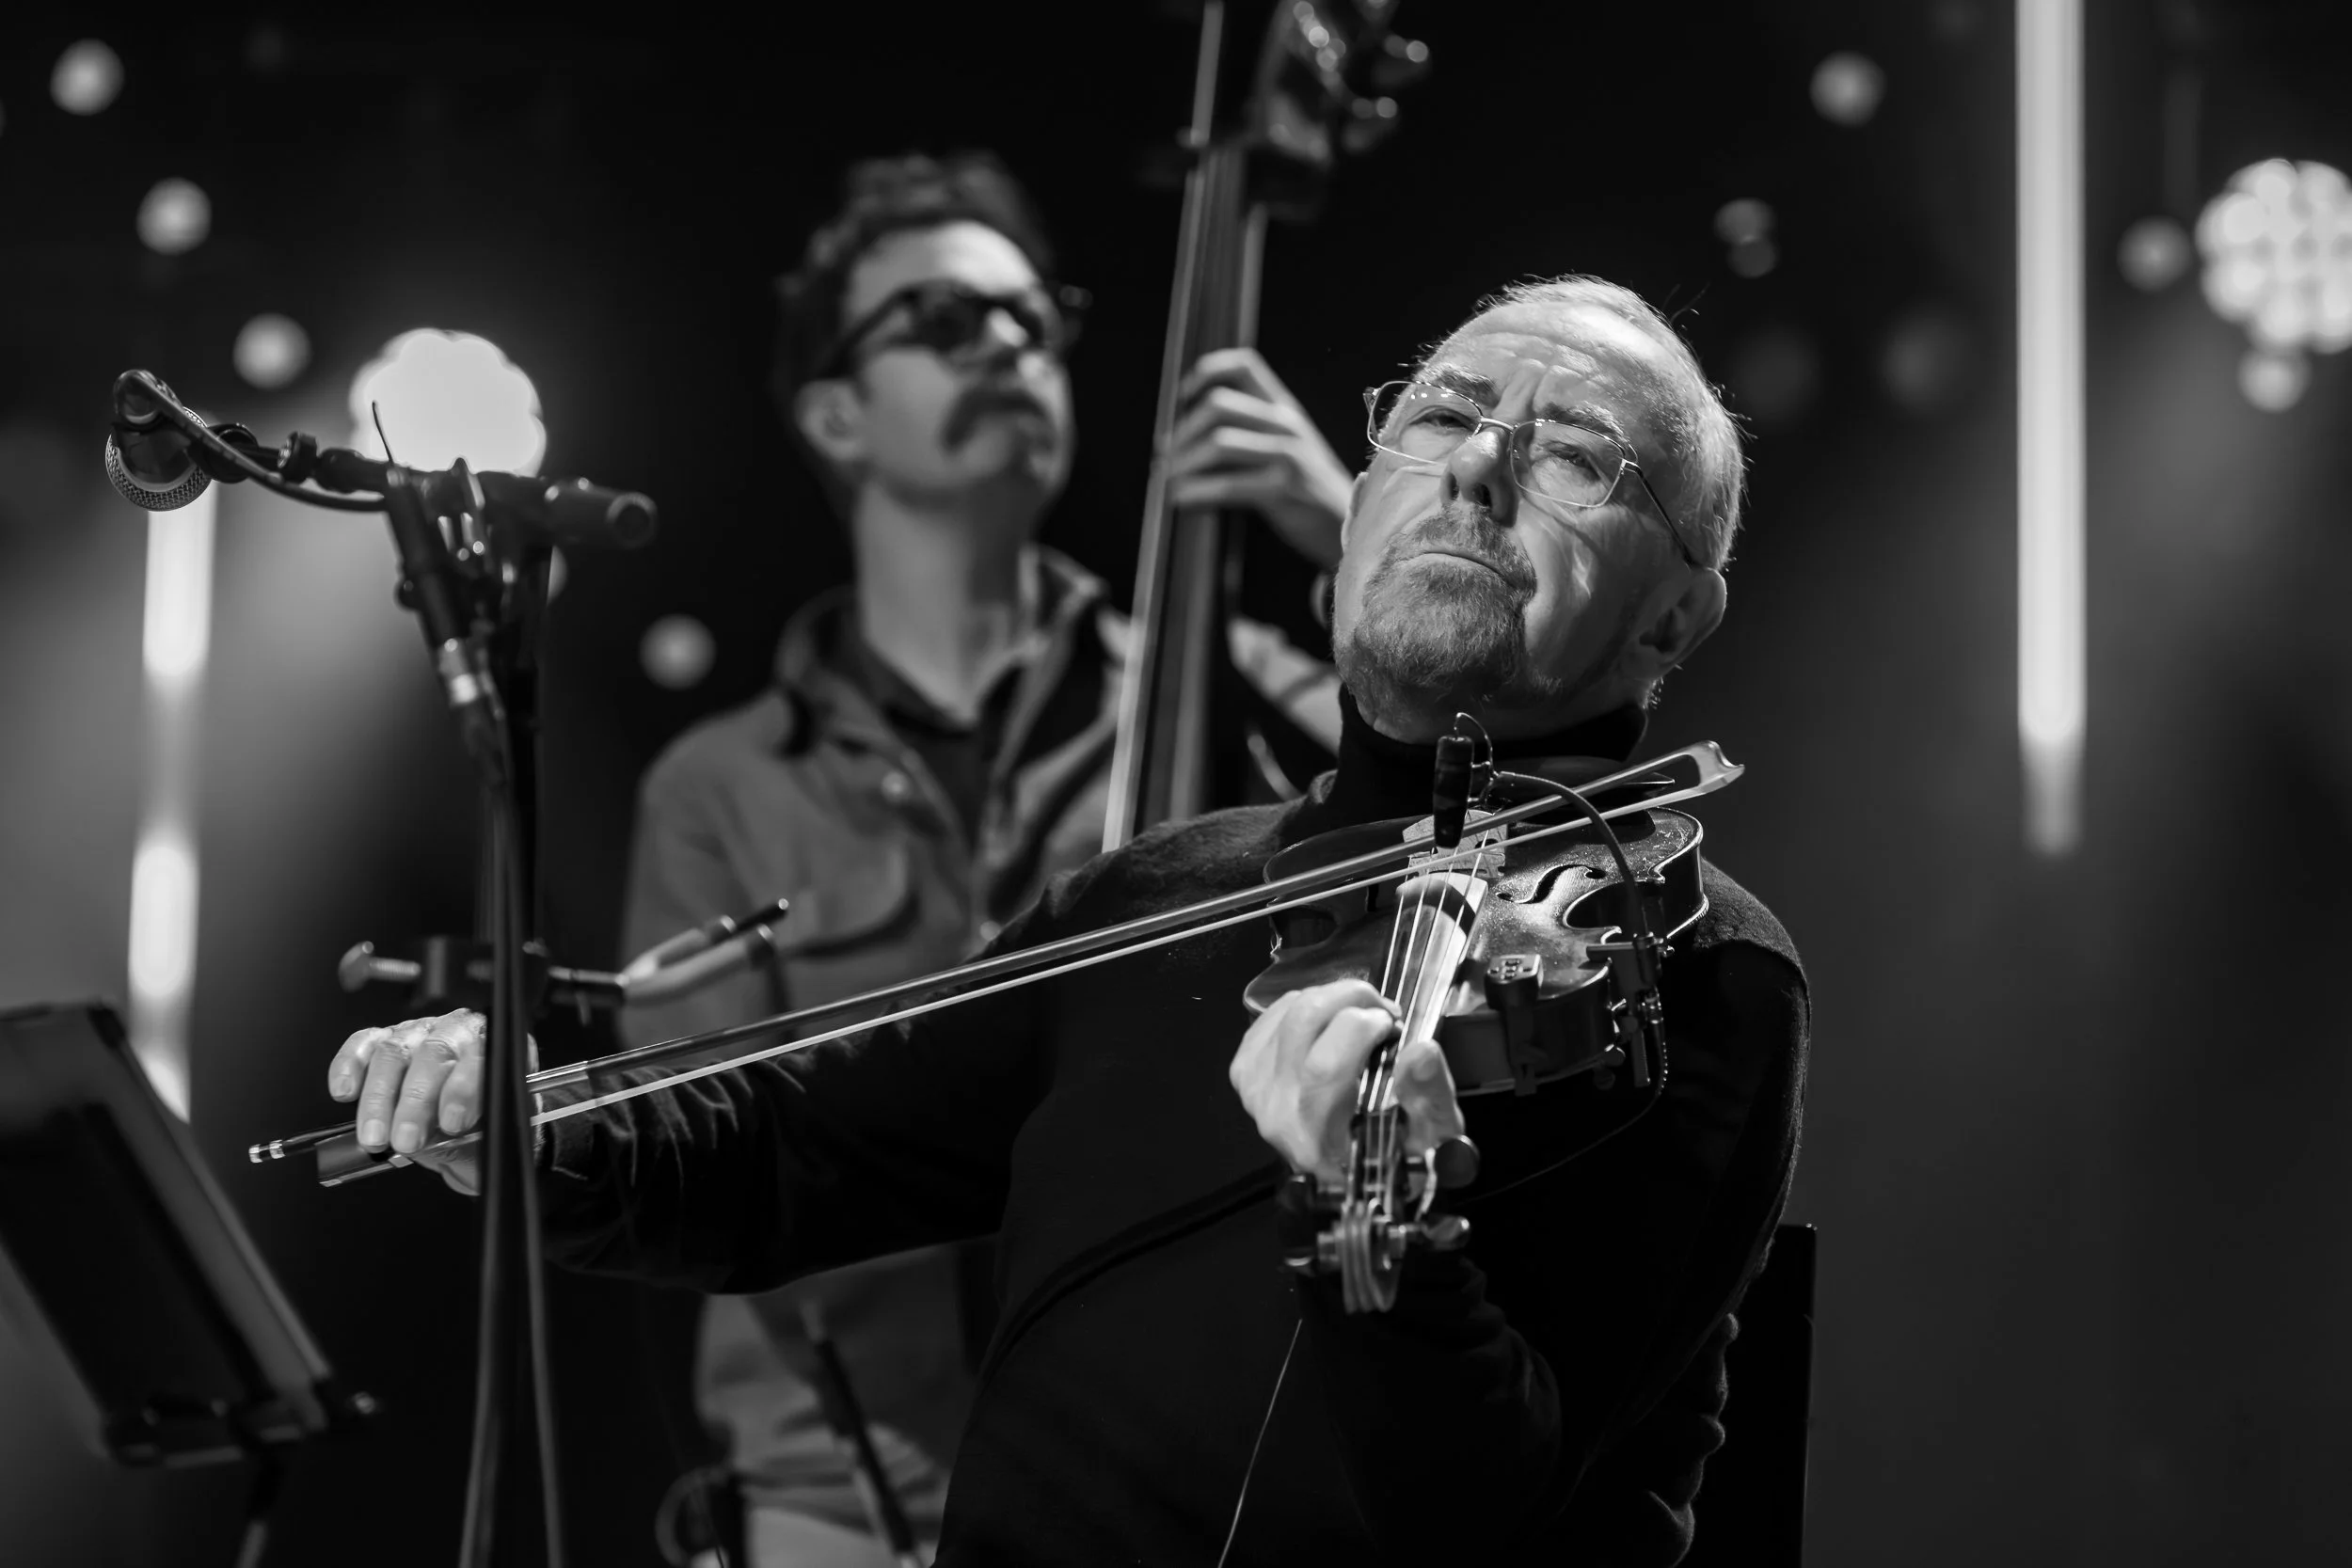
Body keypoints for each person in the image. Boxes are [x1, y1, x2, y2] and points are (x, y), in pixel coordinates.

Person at [336, 273, 1808, 1565]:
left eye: (1576, 455)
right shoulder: (1159, 891)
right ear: (1362, 498)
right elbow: (793, 1150)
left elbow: (1482, 1503)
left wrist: (1378, 1226)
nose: (1481, 465)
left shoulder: (1684, 968)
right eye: (1443, 415)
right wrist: (530, 1126)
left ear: (1676, 618)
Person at [607, 152, 1350, 1564]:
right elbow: (706, 1158)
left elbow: (1485, 801)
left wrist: (1346, 535)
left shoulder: (1235, 688)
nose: (1008, 344)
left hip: (1176, 1494)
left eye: (1031, 318)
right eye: (945, 322)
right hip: (844, 1512)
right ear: (836, 410)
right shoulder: (718, 789)